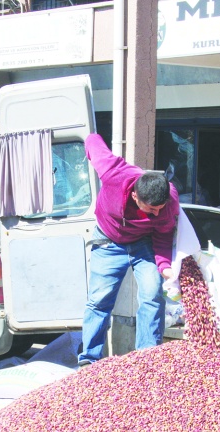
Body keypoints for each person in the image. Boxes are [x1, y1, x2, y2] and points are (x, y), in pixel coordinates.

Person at [78, 133, 179, 367]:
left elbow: (163, 235)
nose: (156, 214)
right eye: (151, 209)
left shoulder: (169, 203)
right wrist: (88, 140)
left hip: (143, 244)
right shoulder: (114, 174)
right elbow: (93, 142)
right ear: (135, 196)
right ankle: (89, 361)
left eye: (160, 209)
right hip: (107, 242)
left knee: (153, 293)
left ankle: (147, 359)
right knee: (99, 300)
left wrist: (164, 266)